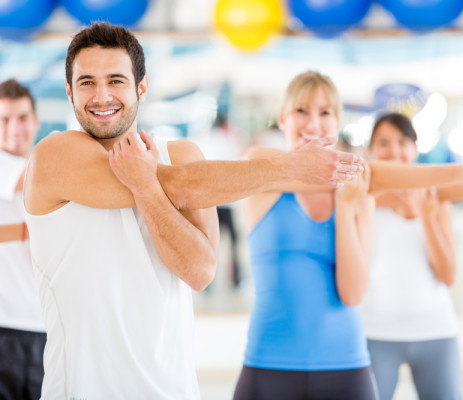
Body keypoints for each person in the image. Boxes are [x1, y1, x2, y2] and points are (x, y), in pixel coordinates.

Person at [22, 23, 364, 399]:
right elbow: (183, 184)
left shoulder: (182, 155)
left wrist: (145, 184)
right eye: (86, 82)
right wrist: (292, 167)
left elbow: (200, 271)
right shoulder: (52, 156)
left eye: (116, 80)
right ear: (69, 90)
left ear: (142, 87)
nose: (101, 95)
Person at [232, 71, 463, 400]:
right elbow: (369, 173)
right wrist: (457, 173)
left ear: (337, 122)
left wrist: (346, 205)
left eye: (326, 112)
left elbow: (353, 293)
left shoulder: (357, 192)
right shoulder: (260, 167)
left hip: (346, 367)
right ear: (283, 118)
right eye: (301, 110)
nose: (313, 122)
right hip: (267, 364)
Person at [359, 112, 463, 400]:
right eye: (384, 143)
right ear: (371, 150)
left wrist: (427, 217)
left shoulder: (436, 198)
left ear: (415, 149)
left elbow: (448, 275)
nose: (394, 151)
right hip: (375, 332)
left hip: (436, 332)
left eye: (403, 142)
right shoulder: (360, 199)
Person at [0, 79, 46, 400]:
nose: (14, 128)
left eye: (22, 118)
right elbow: (38, 181)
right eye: (4, 119)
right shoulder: (13, 170)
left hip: (46, 329)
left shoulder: (39, 169)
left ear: (36, 121)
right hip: (6, 328)